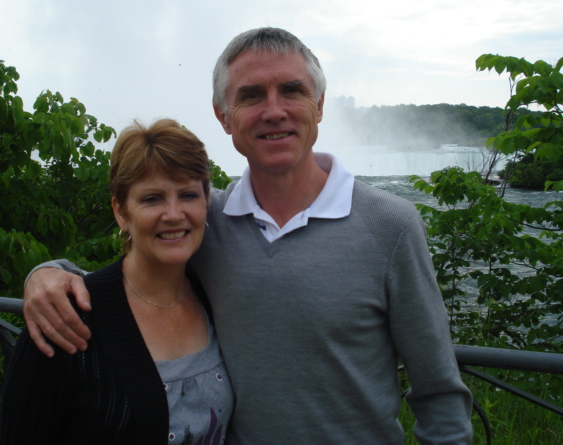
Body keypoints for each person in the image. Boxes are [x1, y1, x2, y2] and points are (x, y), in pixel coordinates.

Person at [23, 28, 473, 444]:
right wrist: (48, 273)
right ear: (224, 116)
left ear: (319, 105)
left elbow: (438, 393)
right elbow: (138, 274)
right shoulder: (208, 220)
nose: (274, 110)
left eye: (292, 90)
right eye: (252, 95)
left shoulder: (390, 226)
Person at [0, 119, 233, 445]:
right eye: (152, 198)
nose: (174, 213)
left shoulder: (213, 294)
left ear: (206, 200)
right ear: (120, 211)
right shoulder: (66, 319)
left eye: (188, 195)